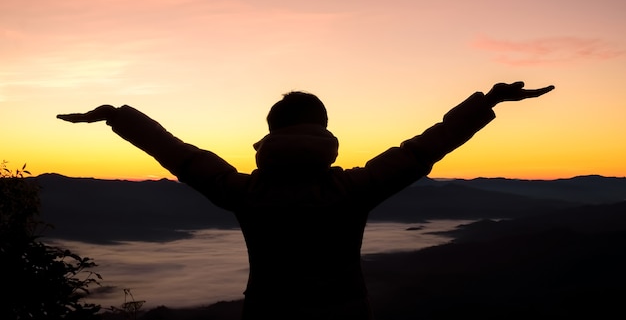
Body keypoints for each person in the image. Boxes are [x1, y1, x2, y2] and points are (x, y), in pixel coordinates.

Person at [57, 81, 554, 319]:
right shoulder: (350, 190)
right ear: (325, 134)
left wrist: (118, 116)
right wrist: (485, 104)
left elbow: (182, 156)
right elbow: (422, 150)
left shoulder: (247, 194)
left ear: (270, 135)